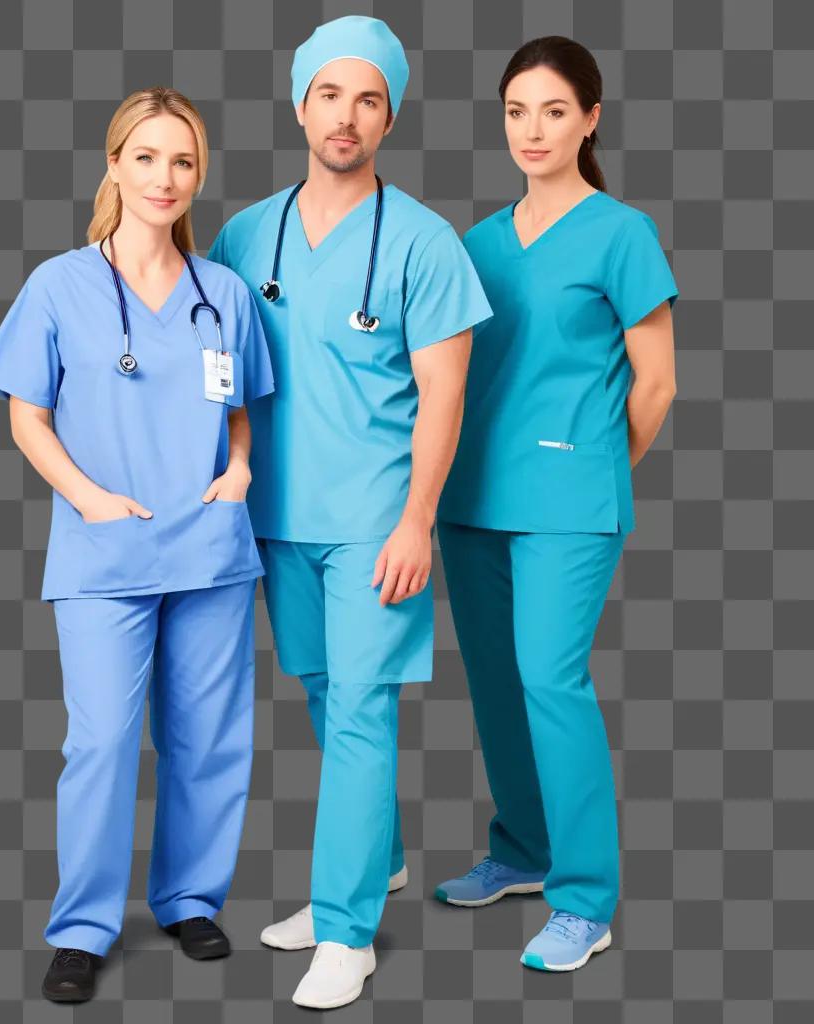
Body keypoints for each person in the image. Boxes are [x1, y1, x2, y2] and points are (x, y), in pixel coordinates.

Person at [208, 14, 493, 1009]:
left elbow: (445, 397)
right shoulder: (247, 233)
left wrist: (417, 518)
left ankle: (345, 929)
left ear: (390, 117)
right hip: (277, 515)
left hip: (376, 515)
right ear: (299, 105)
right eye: (330, 93)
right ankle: (375, 862)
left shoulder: (422, 239)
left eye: (368, 97)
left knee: (365, 711)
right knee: (328, 698)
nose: (347, 114)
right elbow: (219, 376)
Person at [0, 87, 275, 1002]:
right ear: (113, 165)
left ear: (199, 175)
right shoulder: (60, 284)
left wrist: (239, 472)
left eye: (183, 161)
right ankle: (83, 927)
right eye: (145, 157)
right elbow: (27, 416)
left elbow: (241, 409)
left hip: (211, 547)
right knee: (102, 742)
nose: (165, 177)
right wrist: (90, 499)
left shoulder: (221, 290)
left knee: (210, 739)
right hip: (105, 552)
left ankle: (188, 900)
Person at [434, 36, 679, 973]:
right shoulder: (478, 244)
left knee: (551, 678)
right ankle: (524, 853)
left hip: (569, 500)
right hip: (471, 499)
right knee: (498, 684)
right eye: (515, 112)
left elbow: (655, 383)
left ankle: (584, 898)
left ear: (591, 118)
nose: (531, 130)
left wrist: (589, 471)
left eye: (552, 111)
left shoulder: (620, 232)